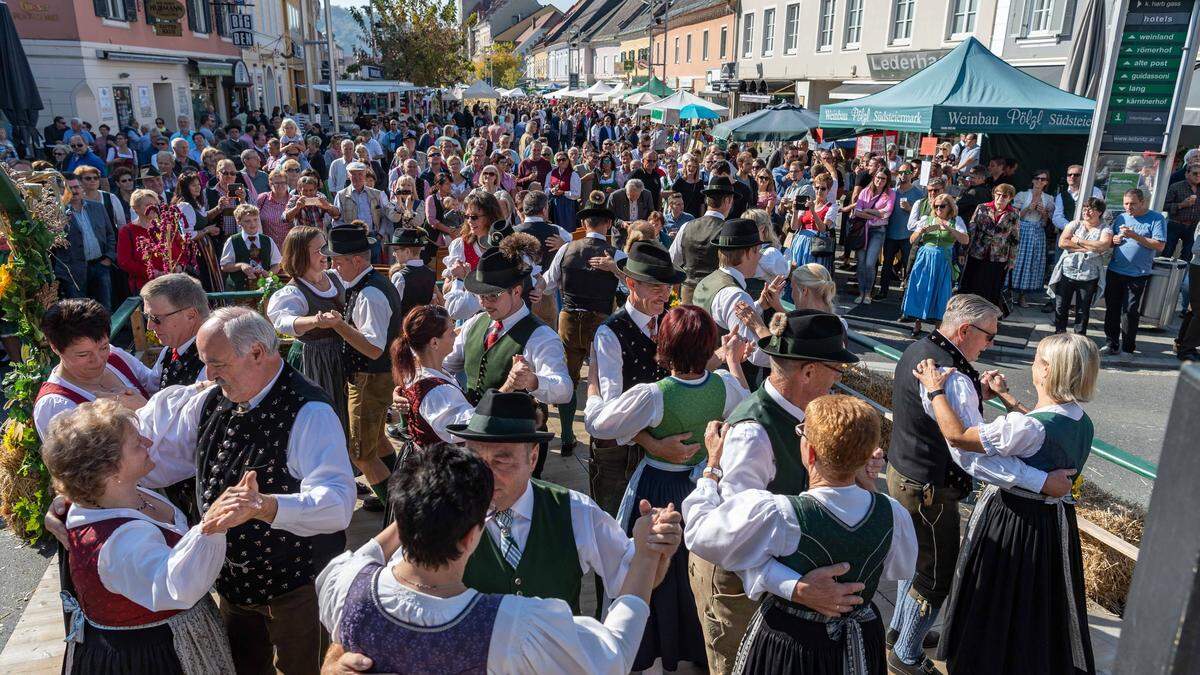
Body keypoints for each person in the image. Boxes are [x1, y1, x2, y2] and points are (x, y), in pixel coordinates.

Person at [316, 440, 673, 675]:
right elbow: (613, 653)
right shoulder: (511, 625)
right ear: (474, 534)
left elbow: (365, 557)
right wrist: (645, 556)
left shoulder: (345, 580)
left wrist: (418, 501)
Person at [130, 306, 355, 674]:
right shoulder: (209, 400)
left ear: (256, 353)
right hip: (233, 586)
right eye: (205, 362)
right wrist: (95, 492)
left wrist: (266, 506)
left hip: (296, 588)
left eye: (217, 363)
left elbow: (338, 503)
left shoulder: (309, 411)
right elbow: (164, 459)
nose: (208, 374)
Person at [885, 294, 1077, 675]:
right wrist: (1041, 481)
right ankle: (905, 655)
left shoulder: (920, 350)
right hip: (929, 487)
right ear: (965, 330)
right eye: (989, 336)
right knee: (936, 574)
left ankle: (899, 632)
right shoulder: (951, 378)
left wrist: (981, 396)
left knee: (921, 559)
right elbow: (968, 452)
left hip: (905, 471)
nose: (991, 343)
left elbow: (948, 418)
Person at [688, 310, 875, 673]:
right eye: (836, 369)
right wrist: (796, 588)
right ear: (807, 372)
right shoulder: (754, 434)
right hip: (740, 589)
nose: (839, 379)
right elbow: (731, 540)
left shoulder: (805, 414)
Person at [684, 395, 917, 675]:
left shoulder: (781, 514)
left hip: (790, 646)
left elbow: (700, 534)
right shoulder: (892, 513)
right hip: (859, 639)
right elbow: (901, 567)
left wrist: (711, 470)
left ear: (810, 453)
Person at [913, 332, 1100, 675]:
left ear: (1046, 371)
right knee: (1035, 599)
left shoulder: (1027, 428)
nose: (1032, 364)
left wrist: (935, 390)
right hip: (1053, 523)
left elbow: (959, 438)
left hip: (1013, 521)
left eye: (1037, 359)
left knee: (998, 595)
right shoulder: (1081, 420)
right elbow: (1041, 430)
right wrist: (1005, 396)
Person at [586, 305, 750, 673]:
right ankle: (692, 646)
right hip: (703, 487)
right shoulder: (723, 386)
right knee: (691, 568)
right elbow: (746, 406)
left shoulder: (654, 394)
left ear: (665, 347)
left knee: (653, 565)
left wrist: (595, 387)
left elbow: (599, 425)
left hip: (658, 488)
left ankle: (646, 647)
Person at [45, 399, 246, 675]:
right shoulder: (121, 542)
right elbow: (176, 586)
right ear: (110, 469)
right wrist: (213, 526)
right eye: (137, 443)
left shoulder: (119, 493)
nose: (148, 443)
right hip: (152, 656)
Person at [442, 241, 572, 478]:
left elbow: (564, 389)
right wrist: (415, 385)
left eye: (492, 295)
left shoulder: (541, 336)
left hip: (516, 449)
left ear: (516, 291)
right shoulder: (475, 324)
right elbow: (445, 365)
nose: (484, 302)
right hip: (476, 441)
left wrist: (532, 381)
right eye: (480, 295)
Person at [588, 241, 686, 522]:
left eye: (668, 286)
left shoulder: (670, 321)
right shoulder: (610, 333)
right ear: (631, 283)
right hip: (620, 455)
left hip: (663, 455)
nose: (665, 294)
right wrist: (653, 445)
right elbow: (610, 410)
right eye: (657, 286)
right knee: (614, 534)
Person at [321, 225, 404, 512]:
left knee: (361, 453)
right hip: (374, 377)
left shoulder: (370, 294)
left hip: (370, 378)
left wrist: (338, 325)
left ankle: (398, 510)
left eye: (338, 260)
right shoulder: (370, 285)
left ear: (357, 260)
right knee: (378, 440)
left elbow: (373, 347)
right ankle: (400, 492)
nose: (334, 266)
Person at [541, 193, 624, 457]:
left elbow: (547, 283)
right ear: (607, 225)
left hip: (568, 319)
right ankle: (603, 437)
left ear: (585, 223)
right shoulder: (617, 254)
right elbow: (631, 287)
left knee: (568, 378)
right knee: (603, 379)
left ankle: (567, 436)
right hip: (600, 325)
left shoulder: (567, 249)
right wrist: (616, 270)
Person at [266, 226, 349, 432]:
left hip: (341, 354)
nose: (326, 254)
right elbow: (283, 321)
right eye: (319, 250)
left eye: (326, 247)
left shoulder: (336, 277)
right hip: (314, 358)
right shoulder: (294, 290)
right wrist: (314, 321)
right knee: (320, 416)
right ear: (301, 253)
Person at [33, 299, 155, 438]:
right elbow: (82, 459)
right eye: (83, 354)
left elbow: (155, 385)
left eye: (103, 347)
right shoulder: (56, 406)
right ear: (55, 348)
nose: (98, 360)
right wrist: (146, 410)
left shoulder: (115, 357)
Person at [692, 217, 779, 384]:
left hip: (703, 373)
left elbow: (725, 317)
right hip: (724, 384)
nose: (759, 257)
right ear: (747, 253)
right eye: (757, 251)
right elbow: (756, 355)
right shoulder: (736, 295)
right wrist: (784, 346)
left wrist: (759, 305)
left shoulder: (708, 280)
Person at [390, 305, 473, 447]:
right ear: (434, 342)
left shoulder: (414, 369)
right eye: (451, 332)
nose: (456, 335)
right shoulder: (437, 392)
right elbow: (470, 427)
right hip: (441, 464)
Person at [1103, 188, 1167, 356]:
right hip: (1115, 270)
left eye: (1132, 204)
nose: (1128, 207)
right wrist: (1114, 240)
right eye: (1126, 203)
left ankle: (1128, 348)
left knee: (1130, 311)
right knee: (1112, 308)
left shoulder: (1156, 218)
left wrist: (1134, 235)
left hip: (1138, 273)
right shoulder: (1122, 217)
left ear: (1142, 202)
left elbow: (1160, 245)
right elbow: (1111, 240)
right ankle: (1111, 343)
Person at [902, 194, 969, 338]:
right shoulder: (927, 219)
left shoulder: (956, 221)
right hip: (925, 258)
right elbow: (912, 240)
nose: (938, 209)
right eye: (936, 206)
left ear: (950, 207)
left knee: (941, 292)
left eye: (942, 206)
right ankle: (917, 324)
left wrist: (949, 229)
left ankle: (938, 329)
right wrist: (921, 231)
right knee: (921, 289)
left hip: (943, 261)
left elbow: (965, 240)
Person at [671, 175, 737, 304]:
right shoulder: (729, 231)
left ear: (707, 201)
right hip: (715, 300)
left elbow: (672, 261)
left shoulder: (686, 226)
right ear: (728, 201)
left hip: (688, 298)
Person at [1051, 197, 1112, 336]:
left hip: (1089, 275)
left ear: (1100, 212)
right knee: (1061, 305)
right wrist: (1089, 248)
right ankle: (1059, 334)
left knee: (1082, 309)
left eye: (1091, 209)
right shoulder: (1074, 224)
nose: (1087, 212)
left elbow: (1103, 246)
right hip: (1067, 270)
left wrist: (1078, 240)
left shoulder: (1105, 229)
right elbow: (1063, 243)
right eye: (1085, 209)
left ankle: (1079, 337)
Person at [959, 183, 1020, 314]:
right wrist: (964, 252)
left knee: (992, 287)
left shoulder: (1014, 213)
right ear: (994, 194)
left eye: (1005, 196)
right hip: (977, 252)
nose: (1000, 198)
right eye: (998, 195)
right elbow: (972, 231)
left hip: (999, 256)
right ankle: (968, 311)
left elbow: (1014, 238)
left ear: (1010, 198)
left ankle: (988, 315)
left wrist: (1012, 260)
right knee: (973, 284)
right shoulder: (982, 208)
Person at [57, 174, 116, 308]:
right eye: (69, 187)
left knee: (104, 308)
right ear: (61, 190)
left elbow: (110, 235)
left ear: (82, 187)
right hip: (74, 272)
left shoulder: (98, 207)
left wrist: (108, 258)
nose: (74, 191)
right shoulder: (57, 213)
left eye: (77, 186)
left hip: (100, 266)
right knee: (80, 312)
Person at [334, 162, 401, 262]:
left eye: (360, 174)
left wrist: (380, 234)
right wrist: (346, 236)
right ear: (348, 175)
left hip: (373, 237)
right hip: (351, 239)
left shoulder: (376, 194)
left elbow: (384, 216)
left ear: (365, 174)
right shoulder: (341, 195)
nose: (357, 177)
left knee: (374, 269)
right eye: (353, 174)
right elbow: (336, 220)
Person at [880, 163, 925, 300]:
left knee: (908, 266)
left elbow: (922, 217)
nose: (903, 175)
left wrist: (910, 209)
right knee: (886, 264)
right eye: (901, 172)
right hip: (891, 235)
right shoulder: (892, 192)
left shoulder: (919, 193)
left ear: (912, 174)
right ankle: (883, 291)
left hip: (908, 236)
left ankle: (906, 294)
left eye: (907, 172)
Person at [1010, 171, 1055, 307]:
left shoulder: (1049, 198)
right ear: (1033, 180)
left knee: (1031, 263)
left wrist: (1043, 213)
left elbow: (1046, 222)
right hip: (1021, 231)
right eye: (1037, 178)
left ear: (1046, 182)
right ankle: (1009, 294)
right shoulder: (1022, 195)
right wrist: (1028, 208)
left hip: (1037, 233)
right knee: (1016, 261)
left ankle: (1022, 297)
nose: (1039, 181)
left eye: (1043, 179)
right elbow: (1014, 217)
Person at [851, 167, 895, 304]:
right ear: (874, 177)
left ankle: (868, 293)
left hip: (878, 230)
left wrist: (867, 210)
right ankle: (861, 292)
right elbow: (857, 211)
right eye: (878, 177)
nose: (880, 180)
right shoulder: (865, 191)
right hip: (862, 230)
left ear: (887, 180)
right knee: (861, 263)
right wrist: (876, 213)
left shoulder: (890, 193)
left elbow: (886, 213)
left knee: (870, 263)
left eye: (883, 178)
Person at [219, 204, 281, 290]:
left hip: (264, 290)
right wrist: (240, 265)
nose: (253, 224)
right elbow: (224, 266)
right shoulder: (232, 241)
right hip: (239, 290)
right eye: (247, 221)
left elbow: (277, 264)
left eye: (255, 219)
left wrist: (269, 274)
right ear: (239, 222)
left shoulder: (268, 240)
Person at [256, 168, 293, 249]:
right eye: (276, 183)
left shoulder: (293, 200)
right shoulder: (262, 198)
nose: (280, 185)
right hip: (267, 246)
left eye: (283, 182)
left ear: (287, 184)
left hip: (290, 247)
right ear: (270, 184)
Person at [548, 151, 582, 228]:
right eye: (558, 160)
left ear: (568, 160)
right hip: (554, 205)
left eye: (563, 159)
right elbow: (546, 188)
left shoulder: (573, 175)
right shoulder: (551, 173)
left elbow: (577, 194)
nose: (561, 162)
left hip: (568, 206)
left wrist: (563, 193)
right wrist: (551, 190)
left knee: (568, 228)